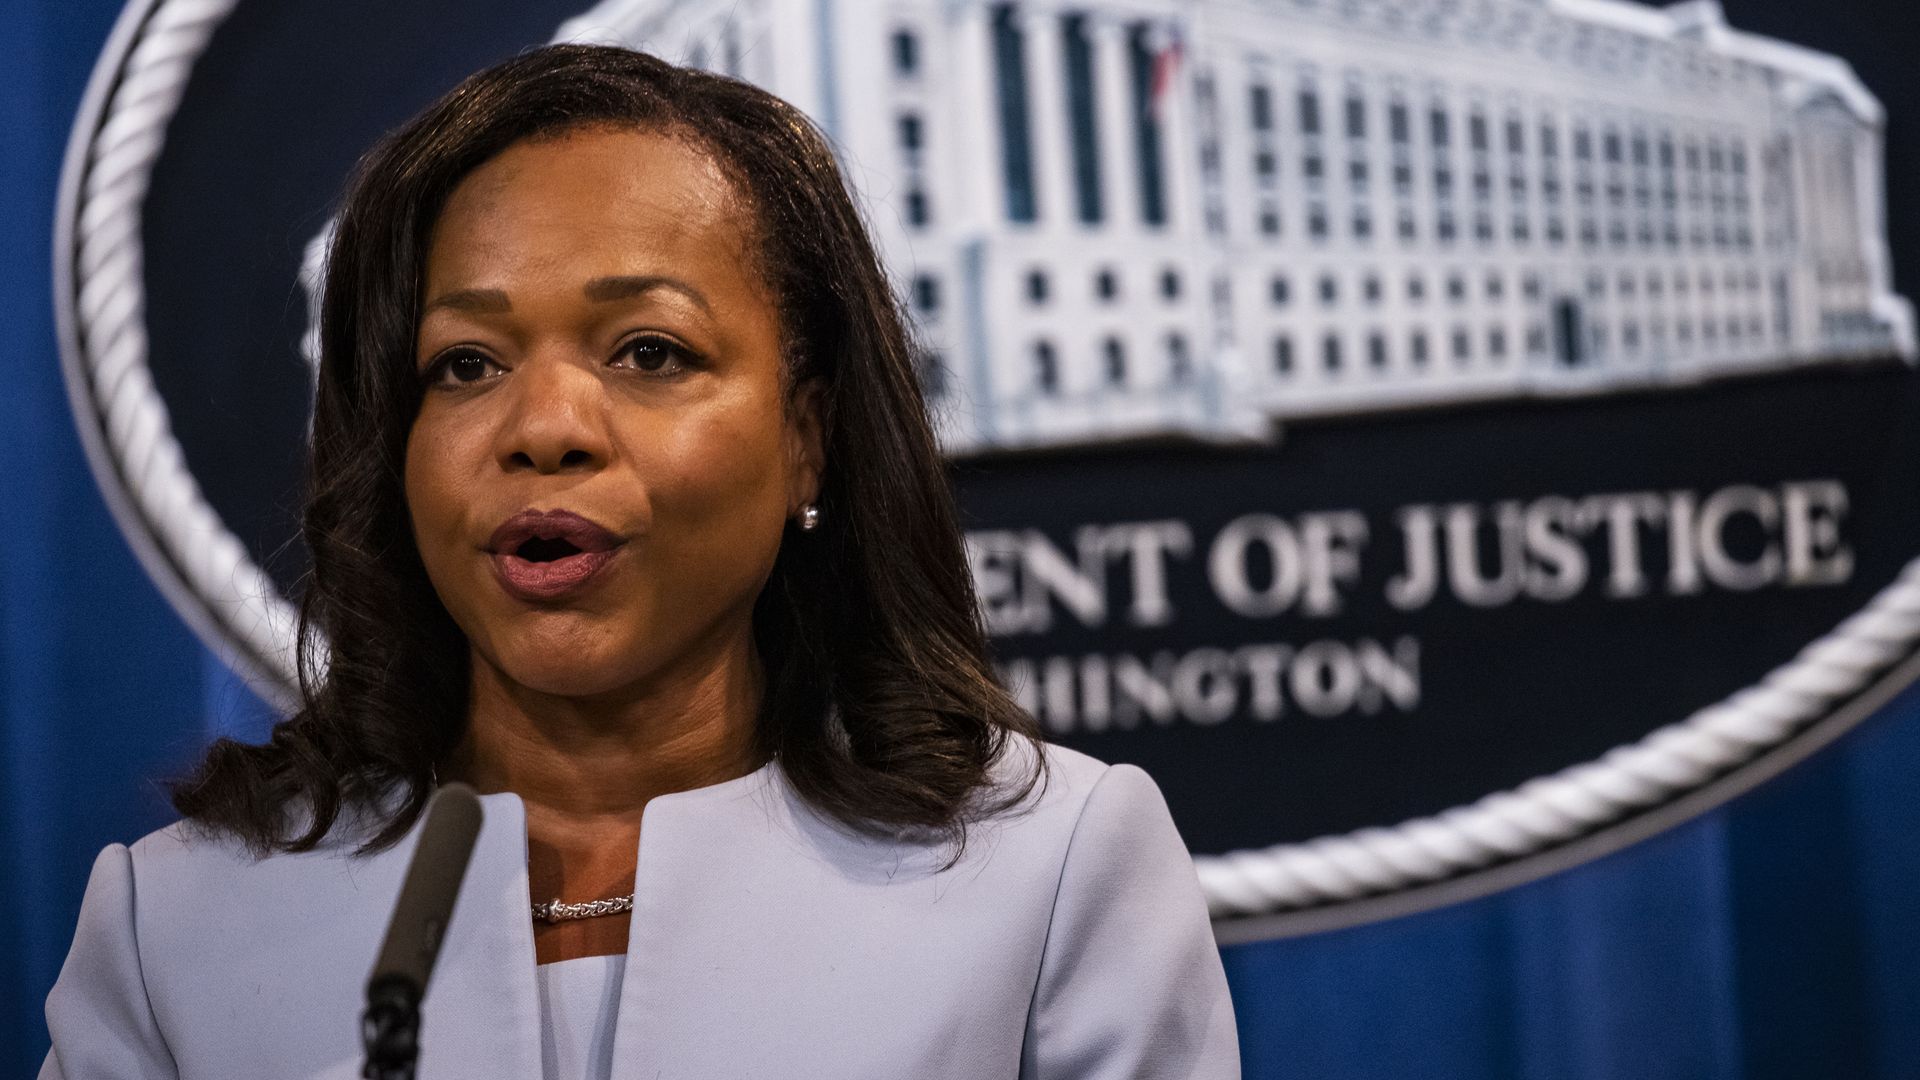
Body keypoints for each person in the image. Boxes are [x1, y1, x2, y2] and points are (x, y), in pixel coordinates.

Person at [41, 44, 1239, 1079]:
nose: (544, 428)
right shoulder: (180, 930)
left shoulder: (1048, 878)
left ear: (807, 436)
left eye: (650, 352)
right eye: (466, 364)